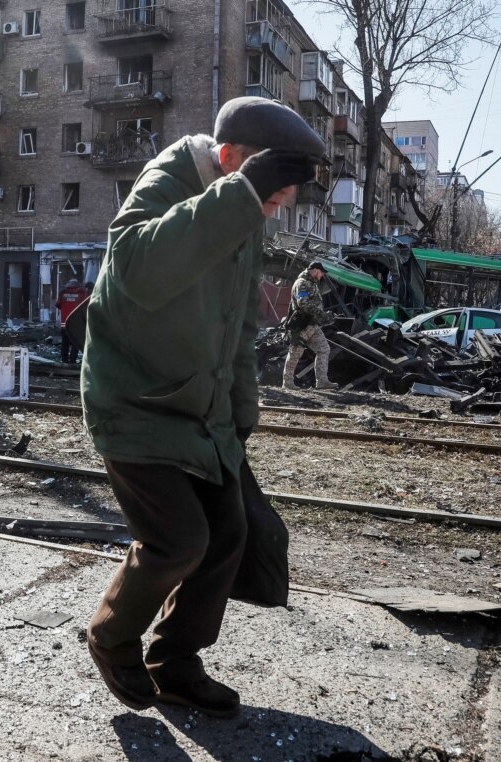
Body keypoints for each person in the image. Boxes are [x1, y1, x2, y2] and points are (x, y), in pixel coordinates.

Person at [81, 96, 324, 717]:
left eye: (274, 203)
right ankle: (112, 636)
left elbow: (238, 326)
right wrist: (243, 197)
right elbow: (136, 269)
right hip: (135, 403)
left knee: (231, 535)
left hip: (201, 411)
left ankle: (176, 660)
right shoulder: (164, 183)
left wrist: (242, 408)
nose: (268, 212)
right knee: (178, 540)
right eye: (269, 198)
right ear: (228, 162)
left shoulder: (240, 211)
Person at [282, 261, 337, 390]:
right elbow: (303, 303)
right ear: (316, 270)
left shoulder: (311, 283)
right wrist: (321, 314)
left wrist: (322, 316)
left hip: (312, 324)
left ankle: (322, 381)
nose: (322, 275)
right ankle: (287, 383)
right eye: (322, 272)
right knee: (296, 352)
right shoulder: (302, 283)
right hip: (303, 324)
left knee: (324, 349)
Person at [56, 278, 88, 364]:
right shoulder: (81, 292)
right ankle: (72, 360)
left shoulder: (62, 292)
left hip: (64, 323)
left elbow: (58, 305)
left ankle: (64, 360)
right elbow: (85, 305)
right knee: (75, 343)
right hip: (76, 323)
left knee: (65, 342)